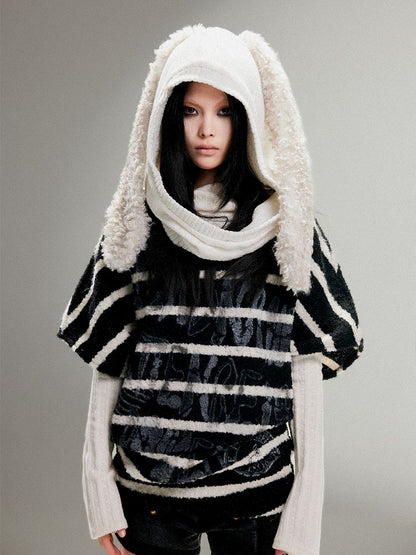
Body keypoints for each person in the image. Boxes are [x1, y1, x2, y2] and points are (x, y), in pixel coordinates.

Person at [57, 25, 363, 555]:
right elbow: (110, 362)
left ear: (249, 118)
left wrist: (302, 519)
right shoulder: (136, 225)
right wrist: (99, 494)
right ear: (166, 116)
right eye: (191, 110)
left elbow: (304, 370)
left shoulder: (287, 229)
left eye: (224, 111)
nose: (206, 129)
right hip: (150, 497)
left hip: (255, 496)